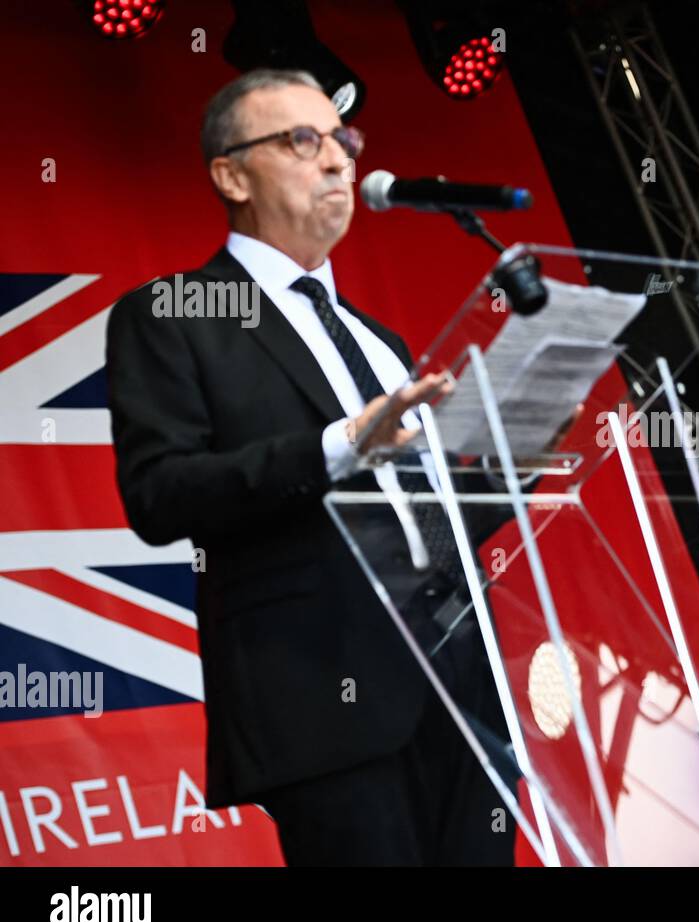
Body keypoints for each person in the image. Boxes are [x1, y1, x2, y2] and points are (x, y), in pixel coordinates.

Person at [106, 69, 513, 865]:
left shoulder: (378, 340)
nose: (338, 162)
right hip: (326, 697)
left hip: (462, 696)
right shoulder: (172, 313)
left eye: (343, 140)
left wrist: (512, 466)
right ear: (230, 174)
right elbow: (160, 493)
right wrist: (340, 444)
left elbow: (423, 521)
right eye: (303, 141)